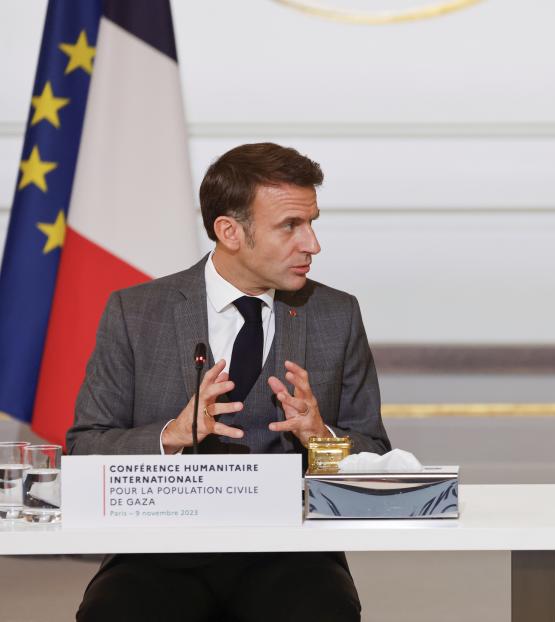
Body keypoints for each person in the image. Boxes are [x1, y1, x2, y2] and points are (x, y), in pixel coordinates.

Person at [67, 142, 390, 622]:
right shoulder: (135, 312)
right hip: (158, 553)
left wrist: (322, 440)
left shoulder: (336, 315)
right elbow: (84, 450)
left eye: (312, 222)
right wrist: (169, 438)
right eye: (290, 226)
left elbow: (378, 459)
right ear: (230, 231)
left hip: (290, 553)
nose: (312, 244)